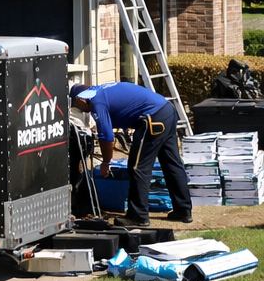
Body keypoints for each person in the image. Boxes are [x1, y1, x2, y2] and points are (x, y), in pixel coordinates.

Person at [70, 82, 193, 225]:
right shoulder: (102, 90)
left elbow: (107, 137)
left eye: (75, 105)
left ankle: (138, 215)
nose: (81, 110)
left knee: (138, 167)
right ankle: (183, 210)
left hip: (152, 118)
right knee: (172, 163)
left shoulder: (97, 102)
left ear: (80, 99)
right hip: (167, 110)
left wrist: (106, 162)